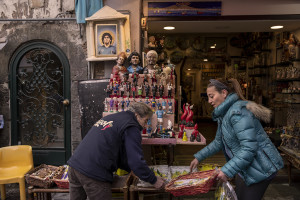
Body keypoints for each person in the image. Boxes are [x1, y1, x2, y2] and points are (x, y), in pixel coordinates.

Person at [189, 78, 284, 200]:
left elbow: (249, 149)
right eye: (208, 97)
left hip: (261, 167)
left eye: (212, 96)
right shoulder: (224, 113)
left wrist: (226, 170)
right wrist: (199, 157)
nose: (209, 101)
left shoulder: (238, 113)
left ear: (224, 93)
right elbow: (219, 142)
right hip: (245, 166)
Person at [68, 102, 165, 200]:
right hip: (93, 172)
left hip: (74, 166)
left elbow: (116, 149)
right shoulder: (132, 126)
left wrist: (130, 169)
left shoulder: (112, 118)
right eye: (145, 120)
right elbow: (136, 161)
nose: (145, 125)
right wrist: (154, 180)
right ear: (137, 115)